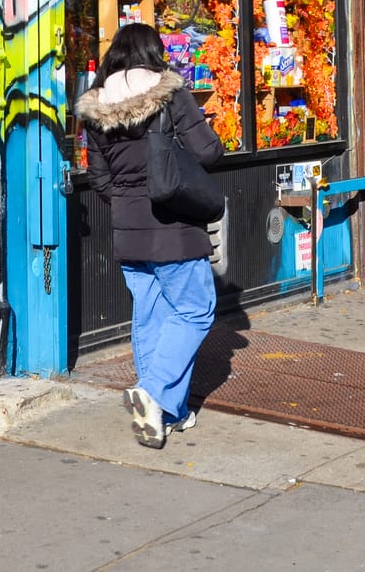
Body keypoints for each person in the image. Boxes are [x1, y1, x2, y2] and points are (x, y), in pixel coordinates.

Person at [78, 23, 224, 448]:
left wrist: (128, 202)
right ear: (154, 53)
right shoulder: (170, 92)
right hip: (174, 226)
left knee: (151, 316)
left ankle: (165, 415)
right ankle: (153, 392)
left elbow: (99, 178)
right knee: (196, 310)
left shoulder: (96, 107)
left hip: (128, 230)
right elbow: (207, 152)